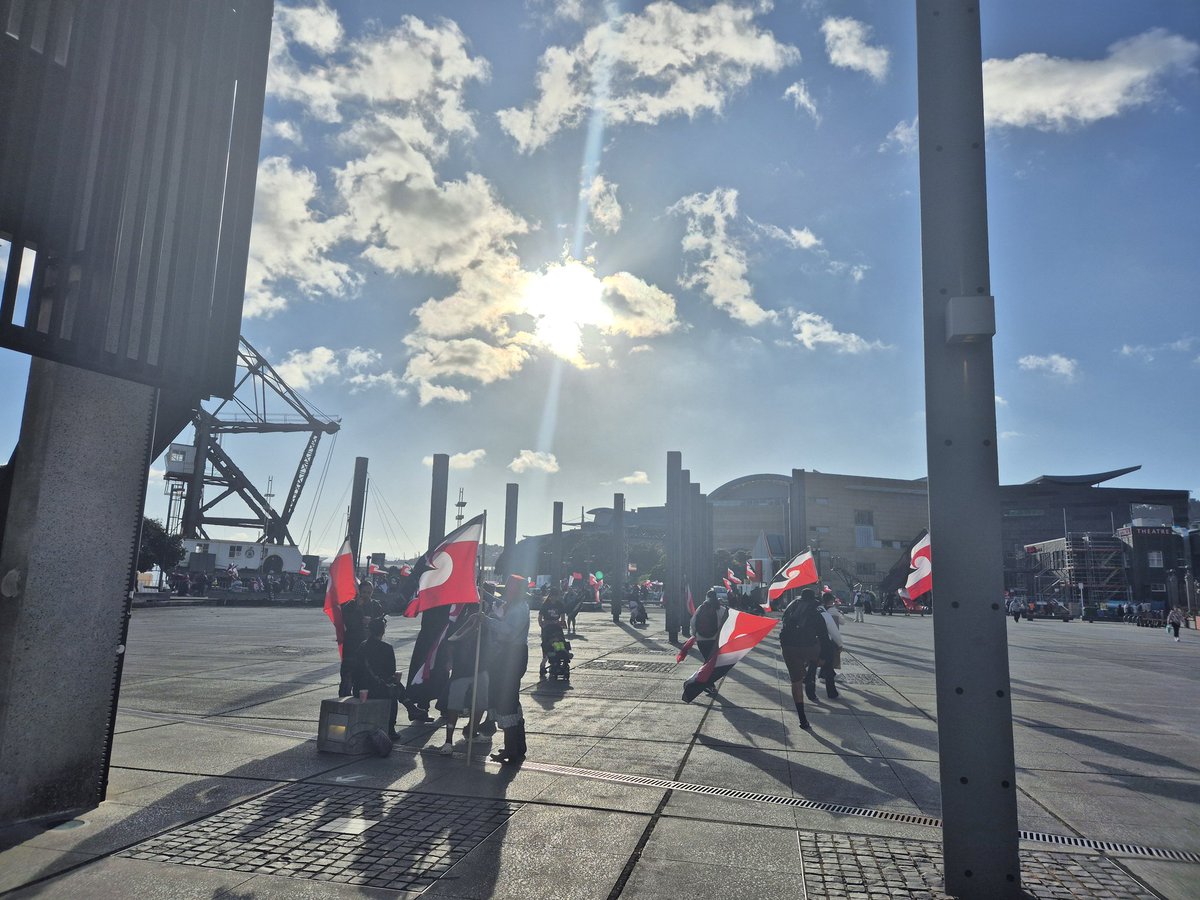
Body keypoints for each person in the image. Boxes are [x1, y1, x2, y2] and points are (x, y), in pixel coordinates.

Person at [488, 576, 531, 765]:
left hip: (511, 655)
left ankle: (512, 749)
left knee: (507, 700)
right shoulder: (519, 606)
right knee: (511, 699)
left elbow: (508, 631)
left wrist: (487, 620)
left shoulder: (517, 610)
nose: (506, 592)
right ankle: (516, 747)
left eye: (509, 589)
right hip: (514, 654)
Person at [438, 610, 489, 754]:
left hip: (480, 669)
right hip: (461, 671)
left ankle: (472, 733)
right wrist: (450, 660)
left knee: (481, 704)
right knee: (453, 706)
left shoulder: (485, 625)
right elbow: (451, 641)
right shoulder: (461, 623)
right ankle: (448, 741)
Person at [779, 589, 830, 730]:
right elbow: (824, 637)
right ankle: (811, 671)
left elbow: (783, 627)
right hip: (809, 647)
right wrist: (823, 658)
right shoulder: (817, 611)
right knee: (816, 648)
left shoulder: (791, 607)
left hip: (788, 647)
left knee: (795, 682)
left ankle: (803, 720)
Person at [354, 617, 405, 739]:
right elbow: (390, 672)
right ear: (383, 631)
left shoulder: (362, 646)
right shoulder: (386, 648)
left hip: (361, 689)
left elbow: (357, 669)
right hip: (378, 689)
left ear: (370, 631)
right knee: (394, 690)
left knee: (395, 687)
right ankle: (391, 728)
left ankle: (410, 706)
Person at [340, 579, 384, 697]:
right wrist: (357, 610)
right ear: (359, 592)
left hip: (369, 646)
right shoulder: (351, 605)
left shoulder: (375, 605)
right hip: (352, 646)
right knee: (347, 677)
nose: (366, 595)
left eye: (369, 593)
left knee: (364, 678)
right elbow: (347, 622)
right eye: (364, 592)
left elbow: (382, 623)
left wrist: (372, 621)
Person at [690, 588, 727, 696]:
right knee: (712, 663)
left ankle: (705, 683)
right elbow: (725, 624)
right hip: (714, 640)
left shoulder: (701, 608)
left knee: (707, 662)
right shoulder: (720, 609)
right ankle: (706, 684)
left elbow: (693, 621)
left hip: (701, 640)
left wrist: (694, 634)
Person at [809, 593, 843, 700]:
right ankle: (831, 692)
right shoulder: (824, 613)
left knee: (812, 668)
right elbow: (834, 631)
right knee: (828, 667)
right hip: (823, 644)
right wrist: (840, 644)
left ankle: (811, 693)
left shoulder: (807, 612)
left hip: (809, 643)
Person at [538, 588, 567, 680]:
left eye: (556, 596)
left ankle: (560, 656)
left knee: (559, 641)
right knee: (547, 645)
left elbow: (562, 616)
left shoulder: (560, 604)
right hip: (547, 627)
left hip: (556, 626)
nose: (555, 598)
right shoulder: (546, 605)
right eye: (553, 596)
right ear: (551, 596)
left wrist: (561, 623)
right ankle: (544, 662)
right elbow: (540, 616)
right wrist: (542, 625)